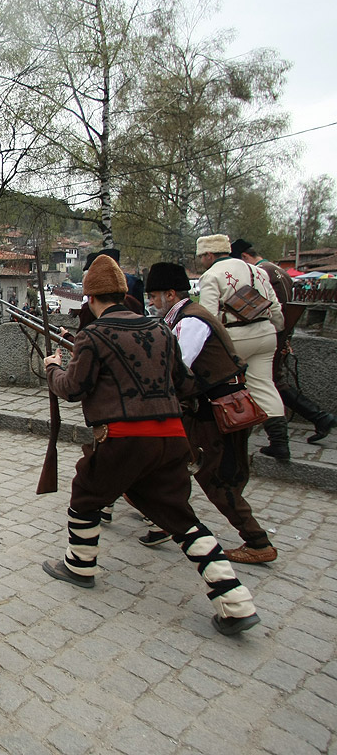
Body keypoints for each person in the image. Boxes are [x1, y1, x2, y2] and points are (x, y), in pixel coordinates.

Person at [41, 254, 260, 636]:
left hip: (124, 440)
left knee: (85, 495)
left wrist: (53, 368)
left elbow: (73, 389)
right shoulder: (161, 331)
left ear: (90, 298)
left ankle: (79, 564)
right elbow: (186, 383)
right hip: (171, 438)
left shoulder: (92, 336)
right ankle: (235, 601)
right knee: (180, 517)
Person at [143, 262, 277, 564]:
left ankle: (257, 542)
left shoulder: (192, 321)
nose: (151, 303)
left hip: (217, 412)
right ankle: (167, 521)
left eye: (154, 296)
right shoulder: (183, 318)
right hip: (202, 410)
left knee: (216, 480)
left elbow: (176, 369)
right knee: (169, 462)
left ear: (170, 293)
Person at [232, 238, 335, 444]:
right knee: (272, 382)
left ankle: (318, 418)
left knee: (271, 382)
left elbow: (265, 308)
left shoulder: (262, 273)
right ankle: (311, 421)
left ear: (245, 257)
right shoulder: (279, 271)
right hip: (279, 333)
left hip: (270, 333)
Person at [196, 234, 287, 459]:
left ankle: (225, 438)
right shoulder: (257, 270)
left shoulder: (212, 275)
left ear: (209, 255)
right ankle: (280, 442)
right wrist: (277, 328)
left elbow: (209, 317)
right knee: (265, 385)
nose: (200, 261)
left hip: (235, 337)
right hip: (266, 334)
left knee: (219, 385)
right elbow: (275, 307)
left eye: (200, 256)